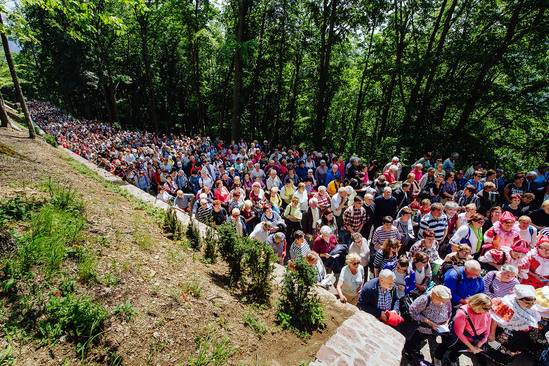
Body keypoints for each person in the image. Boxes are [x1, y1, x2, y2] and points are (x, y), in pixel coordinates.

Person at [485, 285, 541, 365]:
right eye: (527, 303)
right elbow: (496, 319)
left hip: (520, 335)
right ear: (519, 299)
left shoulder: (531, 307)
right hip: (505, 333)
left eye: (532, 303)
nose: (530, 306)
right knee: (497, 347)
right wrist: (492, 333)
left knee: (513, 349)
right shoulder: (507, 304)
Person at [433, 293, 492, 366]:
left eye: (489, 308)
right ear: (476, 304)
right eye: (485, 308)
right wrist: (472, 348)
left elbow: (487, 329)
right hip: (457, 337)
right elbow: (459, 332)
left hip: (472, 339)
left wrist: (478, 346)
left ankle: (452, 359)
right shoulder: (462, 313)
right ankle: (437, 357)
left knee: (459, 351)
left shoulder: (486, 313)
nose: (487, 311)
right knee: (446, 346)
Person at [403, 285, 452, 360]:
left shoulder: (446, 300)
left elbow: (449, 312)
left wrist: (446, 322)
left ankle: (415, 349)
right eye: (441, 300)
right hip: (421, 328)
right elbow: (412, 312)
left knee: (420, 340)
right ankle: (408, 351)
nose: (443, 303)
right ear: (435, 295)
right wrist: (429, 322)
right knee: (413, 340)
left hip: (432, 330)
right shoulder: (425, 299)